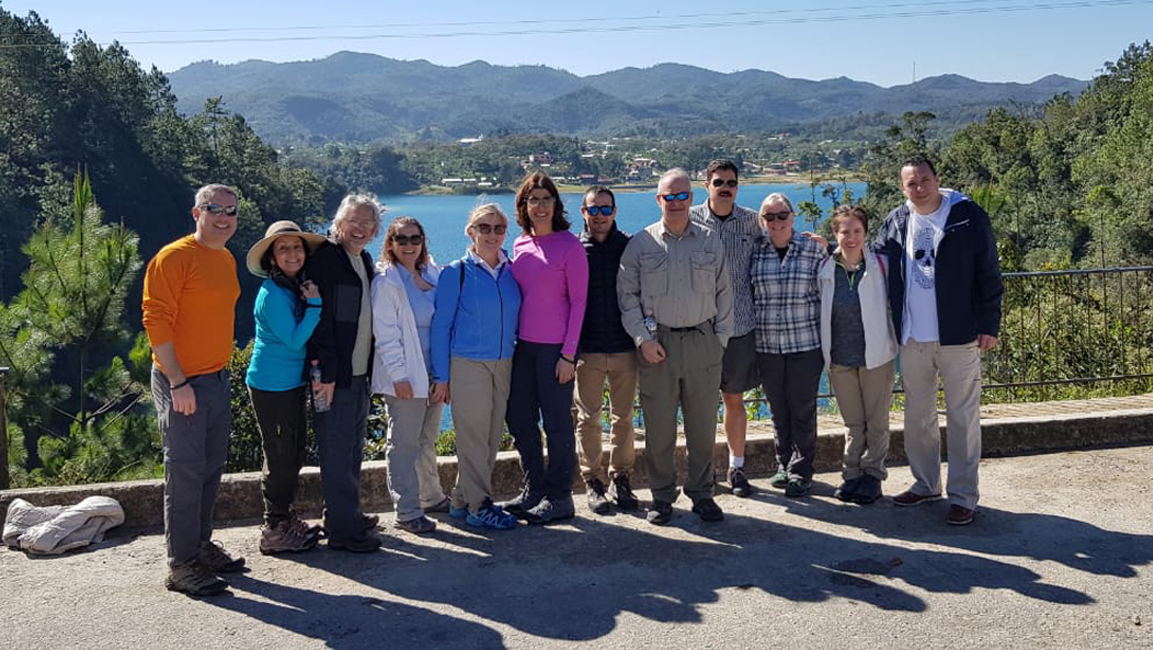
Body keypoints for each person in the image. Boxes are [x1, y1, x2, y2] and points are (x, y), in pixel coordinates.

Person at [874, 155, 1003, 526]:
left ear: (937, 179)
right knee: (918, 416)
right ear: (903, 187)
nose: (918, 188)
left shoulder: (967, 216)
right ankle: (925, 483)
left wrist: (989, 324)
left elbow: (989, 272)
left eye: (924, 180)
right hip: (913, 335)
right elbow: (874, 261)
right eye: (911, 183)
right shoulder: (898, 220)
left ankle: (964, 496)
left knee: (962, 417)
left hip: (958, 334)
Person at [142, 183, 244, 596]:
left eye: (231, 211)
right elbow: (156, 321)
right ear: (196, 212)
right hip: (180, 381)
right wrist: (178, 381)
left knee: (210, 466)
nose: (223, 217)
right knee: (184, 471)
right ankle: (181, 565)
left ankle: (200, 545)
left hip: (215, 378)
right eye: (214, 208)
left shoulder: (224, 257)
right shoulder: (174, 258)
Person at [618, 168, 733, 525]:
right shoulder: (641, 244)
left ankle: (702, 493)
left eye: (683, 196)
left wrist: (720, 341)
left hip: (702, 341)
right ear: (659, 200)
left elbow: (725, 293)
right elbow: (627, 298)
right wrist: (643, 339)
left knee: (702, 428)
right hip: (658, 345)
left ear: (692, 198)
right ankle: (662, 497)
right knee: (659, 428)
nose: (677, 202)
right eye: (670, 196)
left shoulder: (711, 241)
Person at [502, 172, 589, 525]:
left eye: (546, 198)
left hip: (556, 350)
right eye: (532, 199)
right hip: (523, 347)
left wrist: (569, 355)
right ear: (523, 206)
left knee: (557, 424)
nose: (540, 206)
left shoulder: (570, 245)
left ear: (556, 204)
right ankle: (533, 488)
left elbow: (580, 302)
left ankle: (560, 497)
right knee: (520, 419)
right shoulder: (520, 244)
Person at [430, 203, 521, 530]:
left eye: (498, 228)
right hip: (467, 364)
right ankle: (479, 506)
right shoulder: (457, 272)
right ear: (471, 231)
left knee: (492, 435)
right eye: (484, 227)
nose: (492, 234)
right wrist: (441, 377)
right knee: (473, 439)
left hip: (503, 362)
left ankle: (459, 500)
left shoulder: (512, 270)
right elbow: (441, 327)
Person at [244, 220, 327, 554]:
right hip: (271, 385)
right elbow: (294, 341)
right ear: (271, 258)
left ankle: (283, 519)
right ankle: (274, 528)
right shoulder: (272, 294)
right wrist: (317, 306)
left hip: (291, 384)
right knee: (279, 457)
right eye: (283, 248)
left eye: (296, 247)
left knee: (293, 453)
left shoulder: (294, 286)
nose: (292, 254)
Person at [307, 194, 383, 552]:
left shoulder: (363, 260)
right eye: (354, 221)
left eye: (368, 223)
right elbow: (320, 322)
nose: (361, 229)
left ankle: (343, 513)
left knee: (352, 449)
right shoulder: (326, 259)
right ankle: (342, 532)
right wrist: (327, 372)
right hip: (334, 376)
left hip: (359, 374)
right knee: (337, 450)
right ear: (338, 223)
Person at [371, 216, 450, 535]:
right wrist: (399, 376)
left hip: (434, 373)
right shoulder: (386, 282)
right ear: (390, 243)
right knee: (403, 444)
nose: (408, 245)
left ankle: (430, 497)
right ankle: (406, 510)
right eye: (401, 239)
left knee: (426, 440)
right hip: (404, 376)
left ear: (423, 241)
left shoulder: (432, 271)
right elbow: (386, 334)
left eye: (414, 239)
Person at [689, 159, 762, 498]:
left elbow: (781, 242)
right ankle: (701, 470)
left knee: (733, 399)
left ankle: (736, 466)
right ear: (707, 185)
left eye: (731, 182)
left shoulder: (751, 222)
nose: (725, 187)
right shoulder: (688, 220)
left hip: (739, 326)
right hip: (699, 327)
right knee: (698, 403)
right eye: (718, 182)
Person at [817, 205, 898, 505]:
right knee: (852, 422)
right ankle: (851, 474)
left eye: (856, 231)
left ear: (865, 233)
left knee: (876, 421)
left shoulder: (882, 266)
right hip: (840, 358)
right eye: (844, 231)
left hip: (876, 356)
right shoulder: (826, 269)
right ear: (835, 234)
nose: (850, 237)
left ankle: (873, 476)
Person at [749, 192, 827, 498]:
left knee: (803, 409)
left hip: (805, 343)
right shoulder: (755, 252)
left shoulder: (813, 250)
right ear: (762, 221)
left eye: (782, 215)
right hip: (767, 344)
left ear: (793, 217)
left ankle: (802, 470)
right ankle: (783, 464)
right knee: (778, 409)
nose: (776, 222)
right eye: (769, 217)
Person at [573, 186, 640, 514]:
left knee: (624, 417)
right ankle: (593, 481)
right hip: (588, 350)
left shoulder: (629, 247)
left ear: (614, 211)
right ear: (583, 212)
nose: (599, 215)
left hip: (625, 347)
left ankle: (621, 478)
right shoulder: (573, 248)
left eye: (605, 209)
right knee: (588, 419)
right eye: (593, 209)